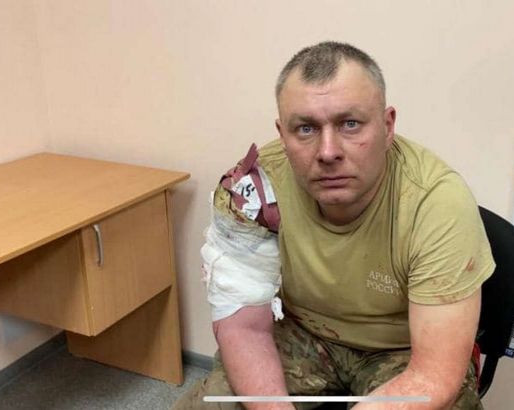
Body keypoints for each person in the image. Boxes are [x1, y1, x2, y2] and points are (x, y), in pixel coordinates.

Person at [173, 41, 495, 410]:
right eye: (305, 128)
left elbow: (432, 375)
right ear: (282, 134)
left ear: (388, 126)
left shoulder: (436, 203)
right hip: (304, 333)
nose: (328, 152)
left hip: (403, 349)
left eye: (350, 124)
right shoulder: (255, 191)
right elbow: (243, 326)